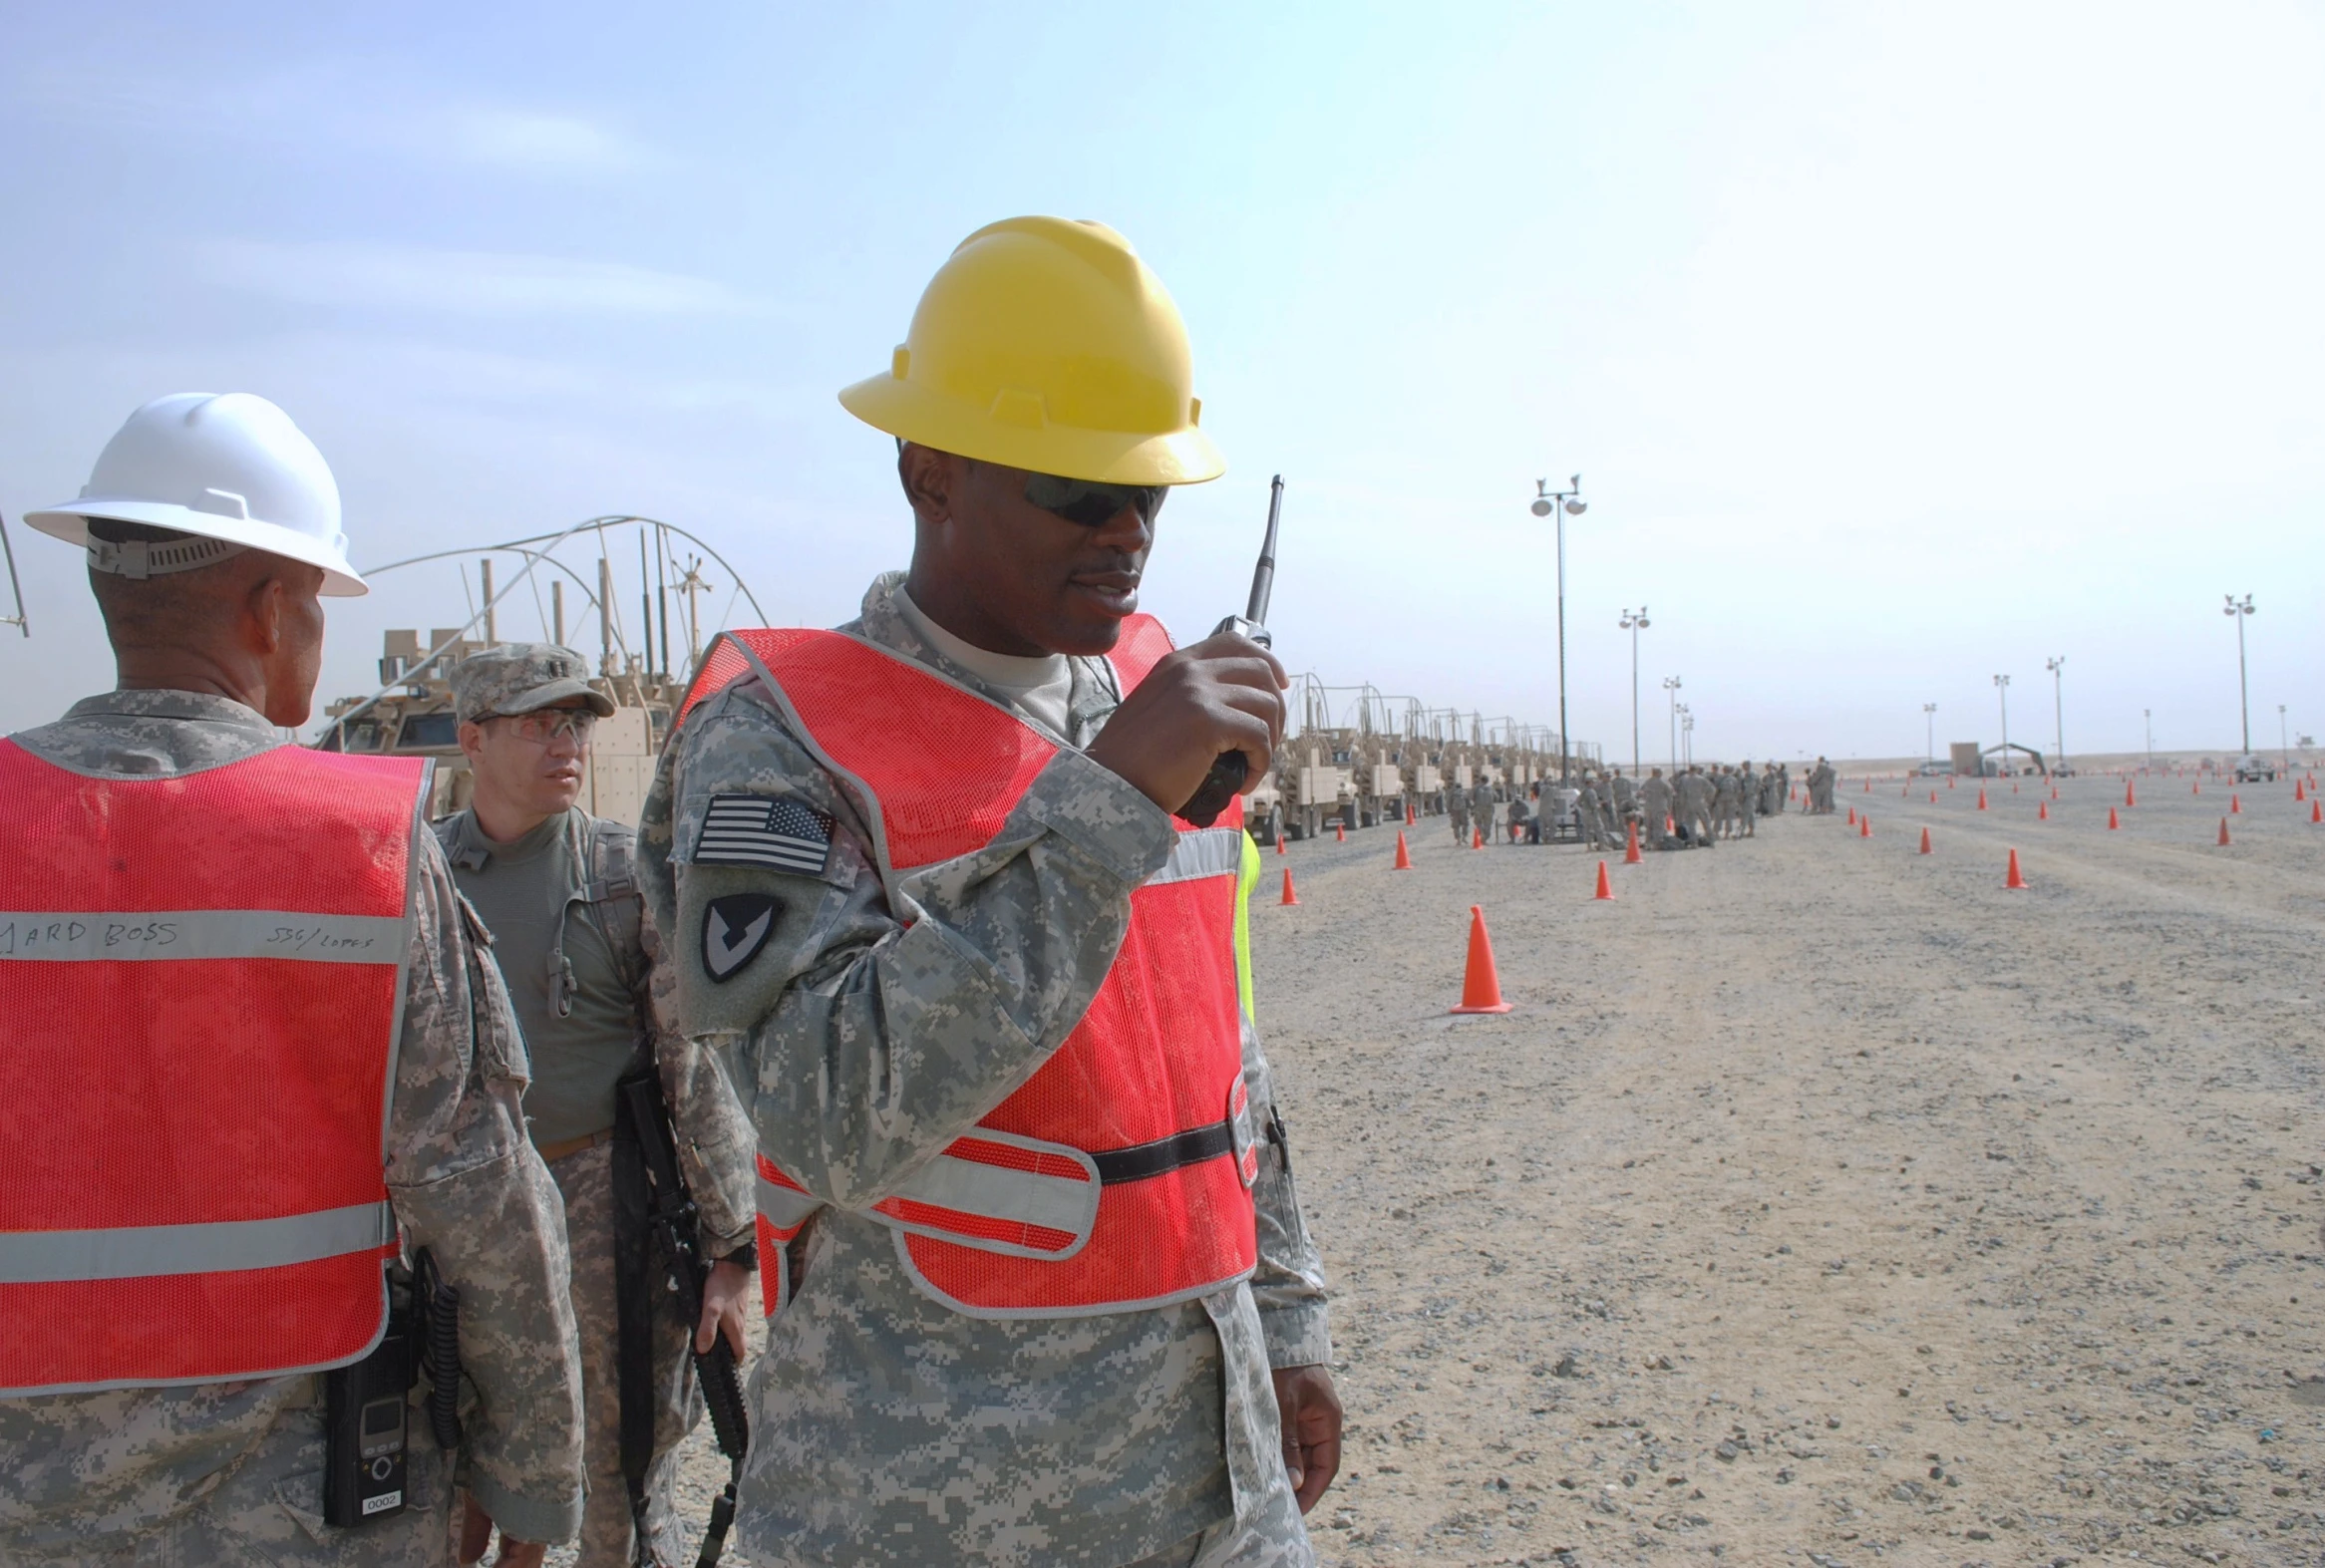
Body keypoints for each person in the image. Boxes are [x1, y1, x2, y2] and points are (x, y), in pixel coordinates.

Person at [637, 217, 1338, 1566]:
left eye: (1149, 494)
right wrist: (1104, 811)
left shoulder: (1147, 692)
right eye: (1075, 490)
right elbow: (820, 1111)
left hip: (1214, 1470)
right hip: (938, 1499)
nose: (1125, 532)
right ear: (930, 472)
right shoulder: (777, 732)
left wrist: (1283, 1318)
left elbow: (1214, 1057)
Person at [0, 394, 583, 1565]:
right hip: (313, 1509)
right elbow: (483, 1196)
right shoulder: (356, 841)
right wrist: (532, 1486)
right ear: (272, 610)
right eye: (317, 597)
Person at [439, 645, 761, 1568]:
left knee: (625, 1476)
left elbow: (692, 1070)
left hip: (603, 1208)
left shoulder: (626, 875)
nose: (567, 741)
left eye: (577, 722)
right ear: (473, 740)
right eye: (540, 722)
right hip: (461, 1219)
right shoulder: (418, 878)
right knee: (455, 1454)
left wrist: (730, 1249)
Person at [1640, 767, 1675, 849]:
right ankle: (1657, 844)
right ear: (1658, 773)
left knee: (1649, 826)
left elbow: (1641, 793)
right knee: (1659, 826)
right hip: (1659, 807)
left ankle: (1648, 844)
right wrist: (1669, 808)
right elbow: (1670, 796)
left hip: (1648, 808)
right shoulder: (1663, 782)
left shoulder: (1647, 782)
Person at [1471, 773, 1496, 847]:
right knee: (1488, 824)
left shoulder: (1476, 787)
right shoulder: (1490, 788)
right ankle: (1485, 838)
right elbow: (1497, 797)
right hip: (1489, 808)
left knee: (1478, 822)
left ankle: (1481, 834)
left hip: (1478, 808)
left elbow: (1470, 797)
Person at [1446, 773, 1470, 844]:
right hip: (1463, 810)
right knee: (1465, 824)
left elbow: (1448, 802)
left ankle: (1458, 839)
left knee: (1456, 826)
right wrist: (1470, 809)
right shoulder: (1464, 792)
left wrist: (1449, 810)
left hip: (1454, 810)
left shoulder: (1452, 793)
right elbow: (1468, 802)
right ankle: (1464, 837)